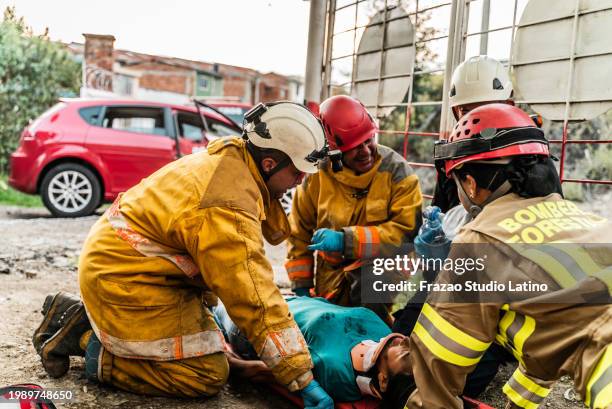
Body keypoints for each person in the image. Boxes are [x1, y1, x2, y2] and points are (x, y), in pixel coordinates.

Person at [32, 101, 335, 408]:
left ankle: (83, 321)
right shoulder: (226, 205)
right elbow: (254, 296)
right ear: (269, 163)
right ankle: (85, 337)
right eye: (297, 172)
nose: (301, 181)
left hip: (135, 264)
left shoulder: (235, 159)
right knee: (205, 373)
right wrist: (301, 377)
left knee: (215, 346)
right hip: (124, 276)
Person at [403, 103, 612, 409]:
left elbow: (439, 364)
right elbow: (553, 334)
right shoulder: (589, 223)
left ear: (471, 184)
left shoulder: (480, 240)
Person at [391, 56, 522, 398]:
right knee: (402, 340)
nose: (479, 122)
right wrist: (433, 250)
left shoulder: (528, 155)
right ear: (456, 114)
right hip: (452, 275)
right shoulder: (453, 153)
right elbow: (443, 211)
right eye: (469, 112)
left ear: (510, 105)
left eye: (488, 109)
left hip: (498, 295)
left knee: (458, 378)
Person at [285, 95, 423, 322]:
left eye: (369, 140)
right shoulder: (317, 176)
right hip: (331, 273)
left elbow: (404, 233)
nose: (366, 151)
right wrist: (301, 287)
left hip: (383, 268)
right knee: (329, 324)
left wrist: (346, 241)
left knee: (369, 318)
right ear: (335, 152)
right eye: (354, 147)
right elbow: (298, 234)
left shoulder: (397, 171)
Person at [214, 297, 412, 404]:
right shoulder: (386, 333)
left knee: (219, 299)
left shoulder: (336, 376)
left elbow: (257, 371)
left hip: (255, 322)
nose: (407, 343)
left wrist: (228, 360)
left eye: (406, 355)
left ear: (383, 380)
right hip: (292, 299)